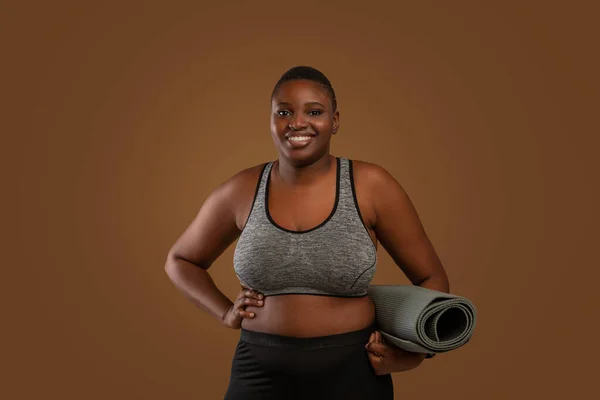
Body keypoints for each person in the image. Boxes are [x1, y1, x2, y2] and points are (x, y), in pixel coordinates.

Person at [164, 66, 450, 399]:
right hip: (258, 371)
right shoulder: (241, 189)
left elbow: (432, 278)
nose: (297, 123)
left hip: (353, 372)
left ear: (335, 121)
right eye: (284, 112)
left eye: (314, 111)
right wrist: (225, 312)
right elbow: (180, 260)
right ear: (271, 121)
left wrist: (413, 354)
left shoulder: (371, 185)